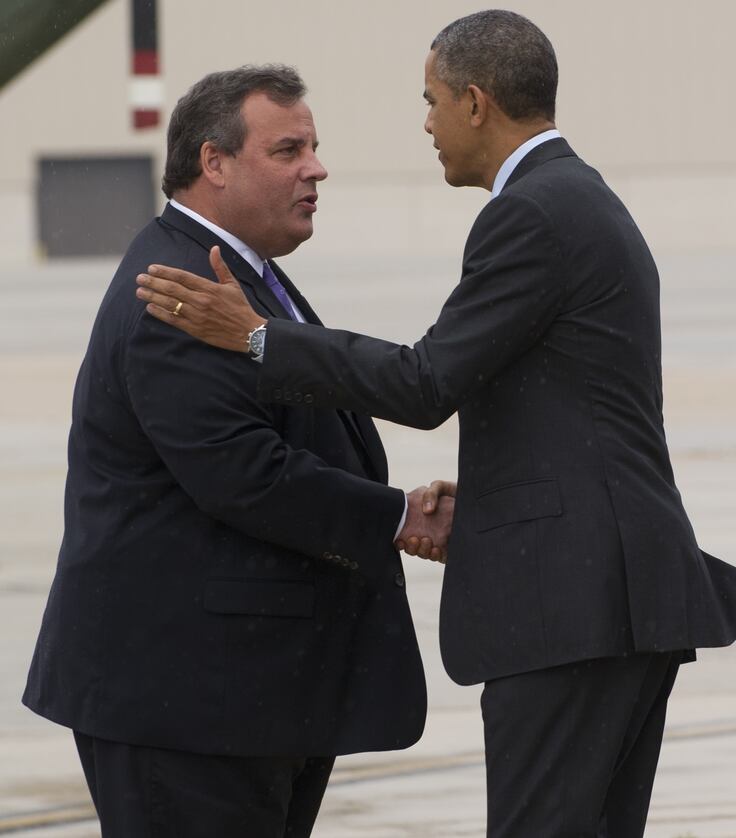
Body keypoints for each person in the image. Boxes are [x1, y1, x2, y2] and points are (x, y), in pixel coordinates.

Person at [136, 12, 736, 838]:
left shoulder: (532, 213)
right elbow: (577, 412)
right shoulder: (578, 198)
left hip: (575, 602)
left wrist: (257, 337)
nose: (426, 124)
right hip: (616, 590)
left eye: (432, 101)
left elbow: (426, 380)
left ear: (476, 104)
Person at [23, 65, 454, 838]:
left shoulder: (242, 276)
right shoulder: (175, 289)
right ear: (213, 164)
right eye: (288, 150)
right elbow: (242, 474)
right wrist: (398, 516)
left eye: (315, 148)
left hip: (245, 697)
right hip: (186, 706)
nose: (316, 168)